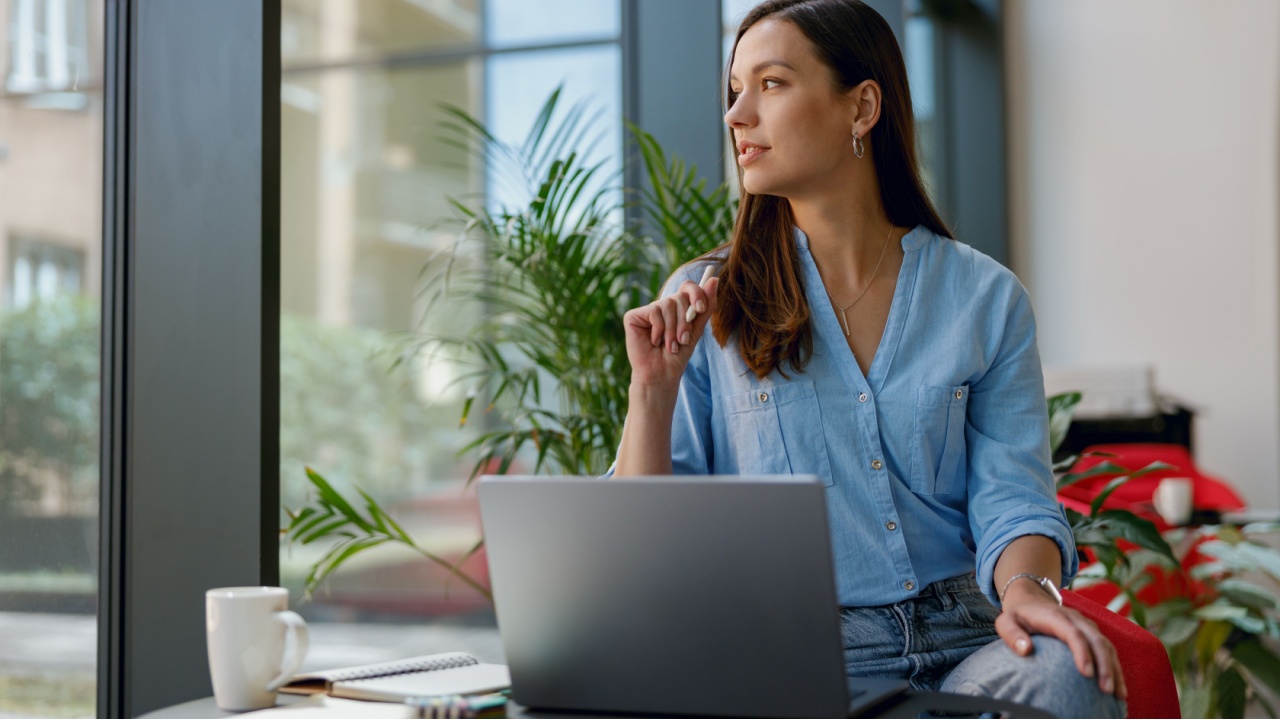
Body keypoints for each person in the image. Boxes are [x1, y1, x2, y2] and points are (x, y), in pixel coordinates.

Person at [609, 0, 1126, 716]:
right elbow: (645, 551)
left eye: (772, 84)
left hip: (968, 641)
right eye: (735, 90)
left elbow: (1013, 497)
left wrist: (1029, 593)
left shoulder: (984, 297)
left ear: (862, 107)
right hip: (797, 654)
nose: (737, 115)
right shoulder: (705, 301)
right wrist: (652, 393)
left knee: (1066, 682)